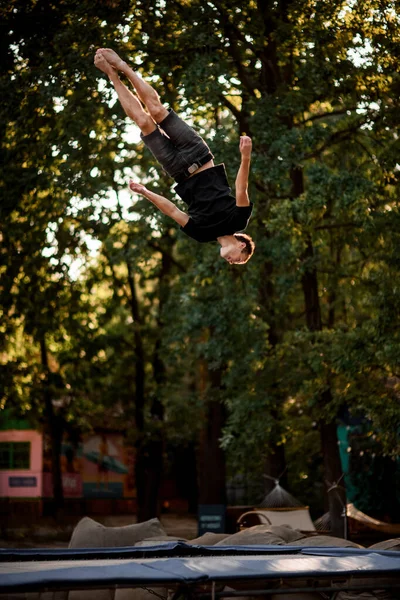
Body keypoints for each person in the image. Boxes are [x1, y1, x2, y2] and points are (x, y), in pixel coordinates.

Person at [94, 48, 255, 264]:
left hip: (176, 169)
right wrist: (245, 157)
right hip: (198, 154)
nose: (232, 262)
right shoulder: (239, 220)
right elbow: (240, 188)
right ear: (241, 244)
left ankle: (111, 75)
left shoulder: (201, 234)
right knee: (157, 110)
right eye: (238, 259)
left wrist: (145, 192)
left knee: (143, 122)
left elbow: (172, 210)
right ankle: (122, 66)